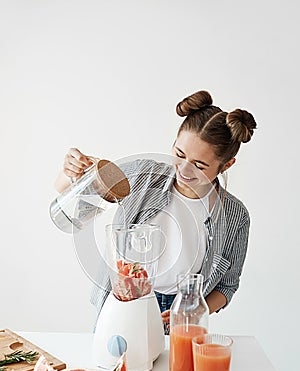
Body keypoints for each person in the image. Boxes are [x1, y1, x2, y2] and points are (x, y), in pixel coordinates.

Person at [55, 90, 256, 330]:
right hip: (124, 300)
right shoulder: (144, 175)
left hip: (180, 313)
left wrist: (190, 312)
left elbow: (227, 286)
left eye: (199, 165)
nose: (184, 169)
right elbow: (71, 199)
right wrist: (71, 172)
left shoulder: (236, 217)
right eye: (179, 154)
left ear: (227, 164)